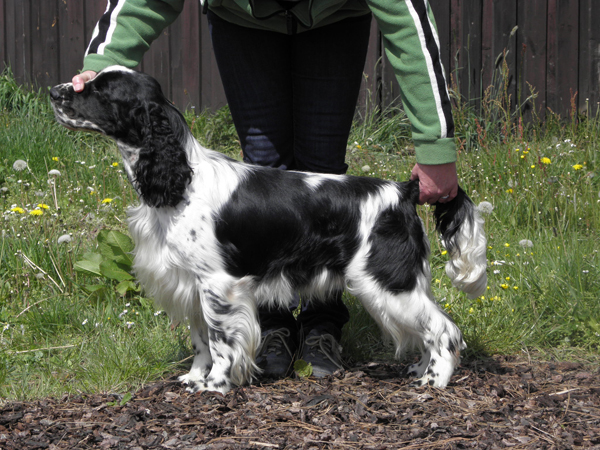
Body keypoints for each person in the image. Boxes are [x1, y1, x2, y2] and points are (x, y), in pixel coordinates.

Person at [72, 0, 459, 379]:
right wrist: (101, 69)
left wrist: (434, 144)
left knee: (322, 174)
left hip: (335, 17)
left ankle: (322, 330)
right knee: (263, 172)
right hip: (241, 22)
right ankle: (270, 331)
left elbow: (407, 16)